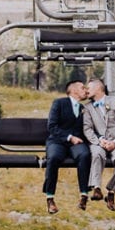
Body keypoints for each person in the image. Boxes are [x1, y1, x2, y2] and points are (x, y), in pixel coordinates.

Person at [43, 79, 91, 214]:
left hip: (77, 143)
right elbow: (52, 126)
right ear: (74, 90)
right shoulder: (59, 103)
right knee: (53, 157)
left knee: (84, 155)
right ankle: (50, 197)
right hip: (58, 141)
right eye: (83, 88)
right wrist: (69, 137)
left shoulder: (84, 108)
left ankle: (84, 194)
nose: (86, 90)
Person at [82, 76, 115, 211]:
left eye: (88, 88)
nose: (86, 90)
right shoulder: (87, 107)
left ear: (98, 88)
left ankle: (111, 191)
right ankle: (96, 188)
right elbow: (87, 128)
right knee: (96, 154)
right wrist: (99, 140)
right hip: (99, 142)